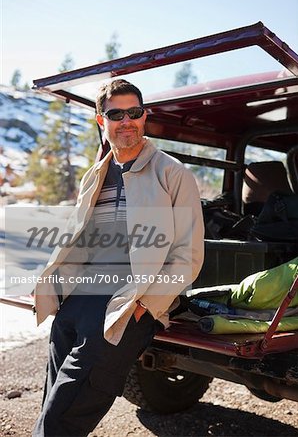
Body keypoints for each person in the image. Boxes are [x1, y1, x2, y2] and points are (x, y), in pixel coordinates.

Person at [33, 79, 204, 436]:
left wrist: (145, 306)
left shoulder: (172, 174)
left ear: (144, 117)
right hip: (81, 298)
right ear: (101, 121)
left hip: (129, 300)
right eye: (116, 114)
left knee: (65, 413)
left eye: (134, 113)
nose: (127, 121)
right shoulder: (94, 175)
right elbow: (78, 235)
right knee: (55, 400)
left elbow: (187, 256)